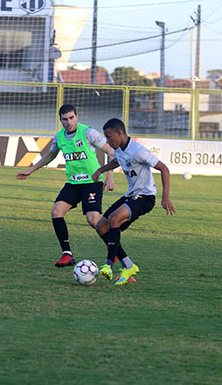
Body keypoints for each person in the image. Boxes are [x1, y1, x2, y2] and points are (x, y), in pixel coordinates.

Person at [16, 104, 115, 267]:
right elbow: (50, 155)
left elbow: (111, 152)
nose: (68, 122)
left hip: (92, 183)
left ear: (77, 117)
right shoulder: (59, 137)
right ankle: (67, 254)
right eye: (65, 119)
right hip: (73, 183)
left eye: (71, 118)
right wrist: (31, 170)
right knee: (56, 212)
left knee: (93, 220)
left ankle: (113, 248)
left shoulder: (88, 132)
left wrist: (109, 177)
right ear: (60, 120)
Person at [91, 118, 176, 286]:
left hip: (145, 197)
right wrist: (100, 170)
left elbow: (164, 168)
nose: (108, 141)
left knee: (114, 220)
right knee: (101, 226)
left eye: (109, 137)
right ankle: (128, 266)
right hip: (131, 195)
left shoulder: (138, 151)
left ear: (120, 133)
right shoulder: (119, 149)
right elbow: (118, 161)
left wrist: (165, 197)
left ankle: (108, 265)